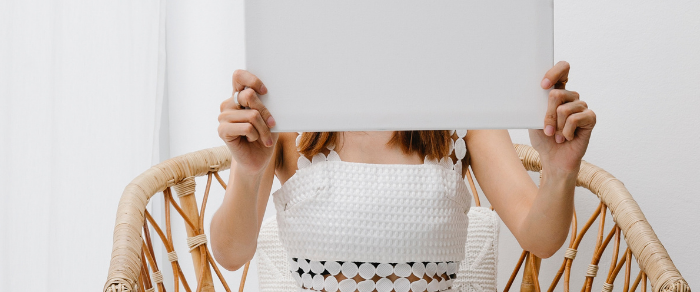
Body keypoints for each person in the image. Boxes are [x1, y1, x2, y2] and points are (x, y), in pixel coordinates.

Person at [211, 61, 596, 292]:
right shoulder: (285, 112)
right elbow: (231, 253)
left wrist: (560, 172)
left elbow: (540, 238)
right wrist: (247, 171)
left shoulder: (463, 110)